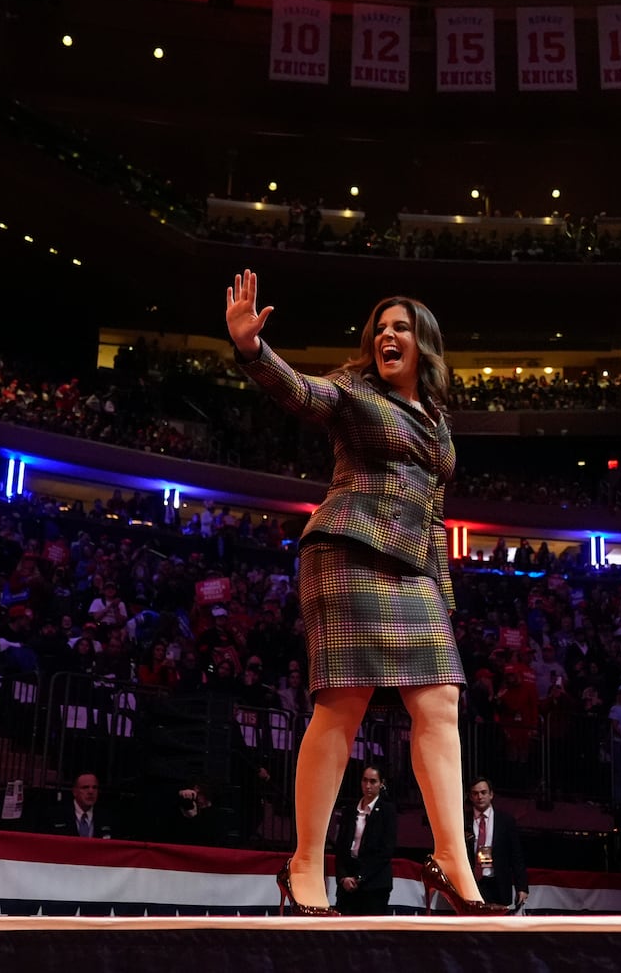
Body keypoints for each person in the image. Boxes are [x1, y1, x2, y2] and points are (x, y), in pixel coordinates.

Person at [226, 271, 499, 916]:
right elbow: (303, 394)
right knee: (342, 709)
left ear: (424, 343)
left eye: (400, 327)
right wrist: (251, 350)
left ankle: (453, 862)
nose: (386, 335)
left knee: (440, 706)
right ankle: (305, 864)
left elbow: (432, 519)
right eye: (380, 328)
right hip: (347, 554)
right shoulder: (353, 391)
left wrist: (446, 605)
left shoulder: (438, 421)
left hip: (414, 572)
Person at [333, 764, 397, 915]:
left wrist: (359, 878)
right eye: (365, 780)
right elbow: (340, 848)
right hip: (348, 882)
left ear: (381, 784)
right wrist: (343, 877)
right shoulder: (349, 810)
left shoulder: (387, 811)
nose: (368, 786)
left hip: (374, 884)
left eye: (373, 781)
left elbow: (385, 852)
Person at [464, 777, 527, 910]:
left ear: (491, 795)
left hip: (498, 882)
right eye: (475, 793)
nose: (479, 797)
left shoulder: (506, 821)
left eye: (483, 792)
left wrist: (521, 887)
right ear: (470, 796)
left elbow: (516, 855)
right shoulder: (463, 821)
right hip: (472, 883)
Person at [41, 772, 117, 839]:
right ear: (74, 792)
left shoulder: (107, 817)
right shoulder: (55, 815)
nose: (91, 791)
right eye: (85, 787)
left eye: (95, 787)